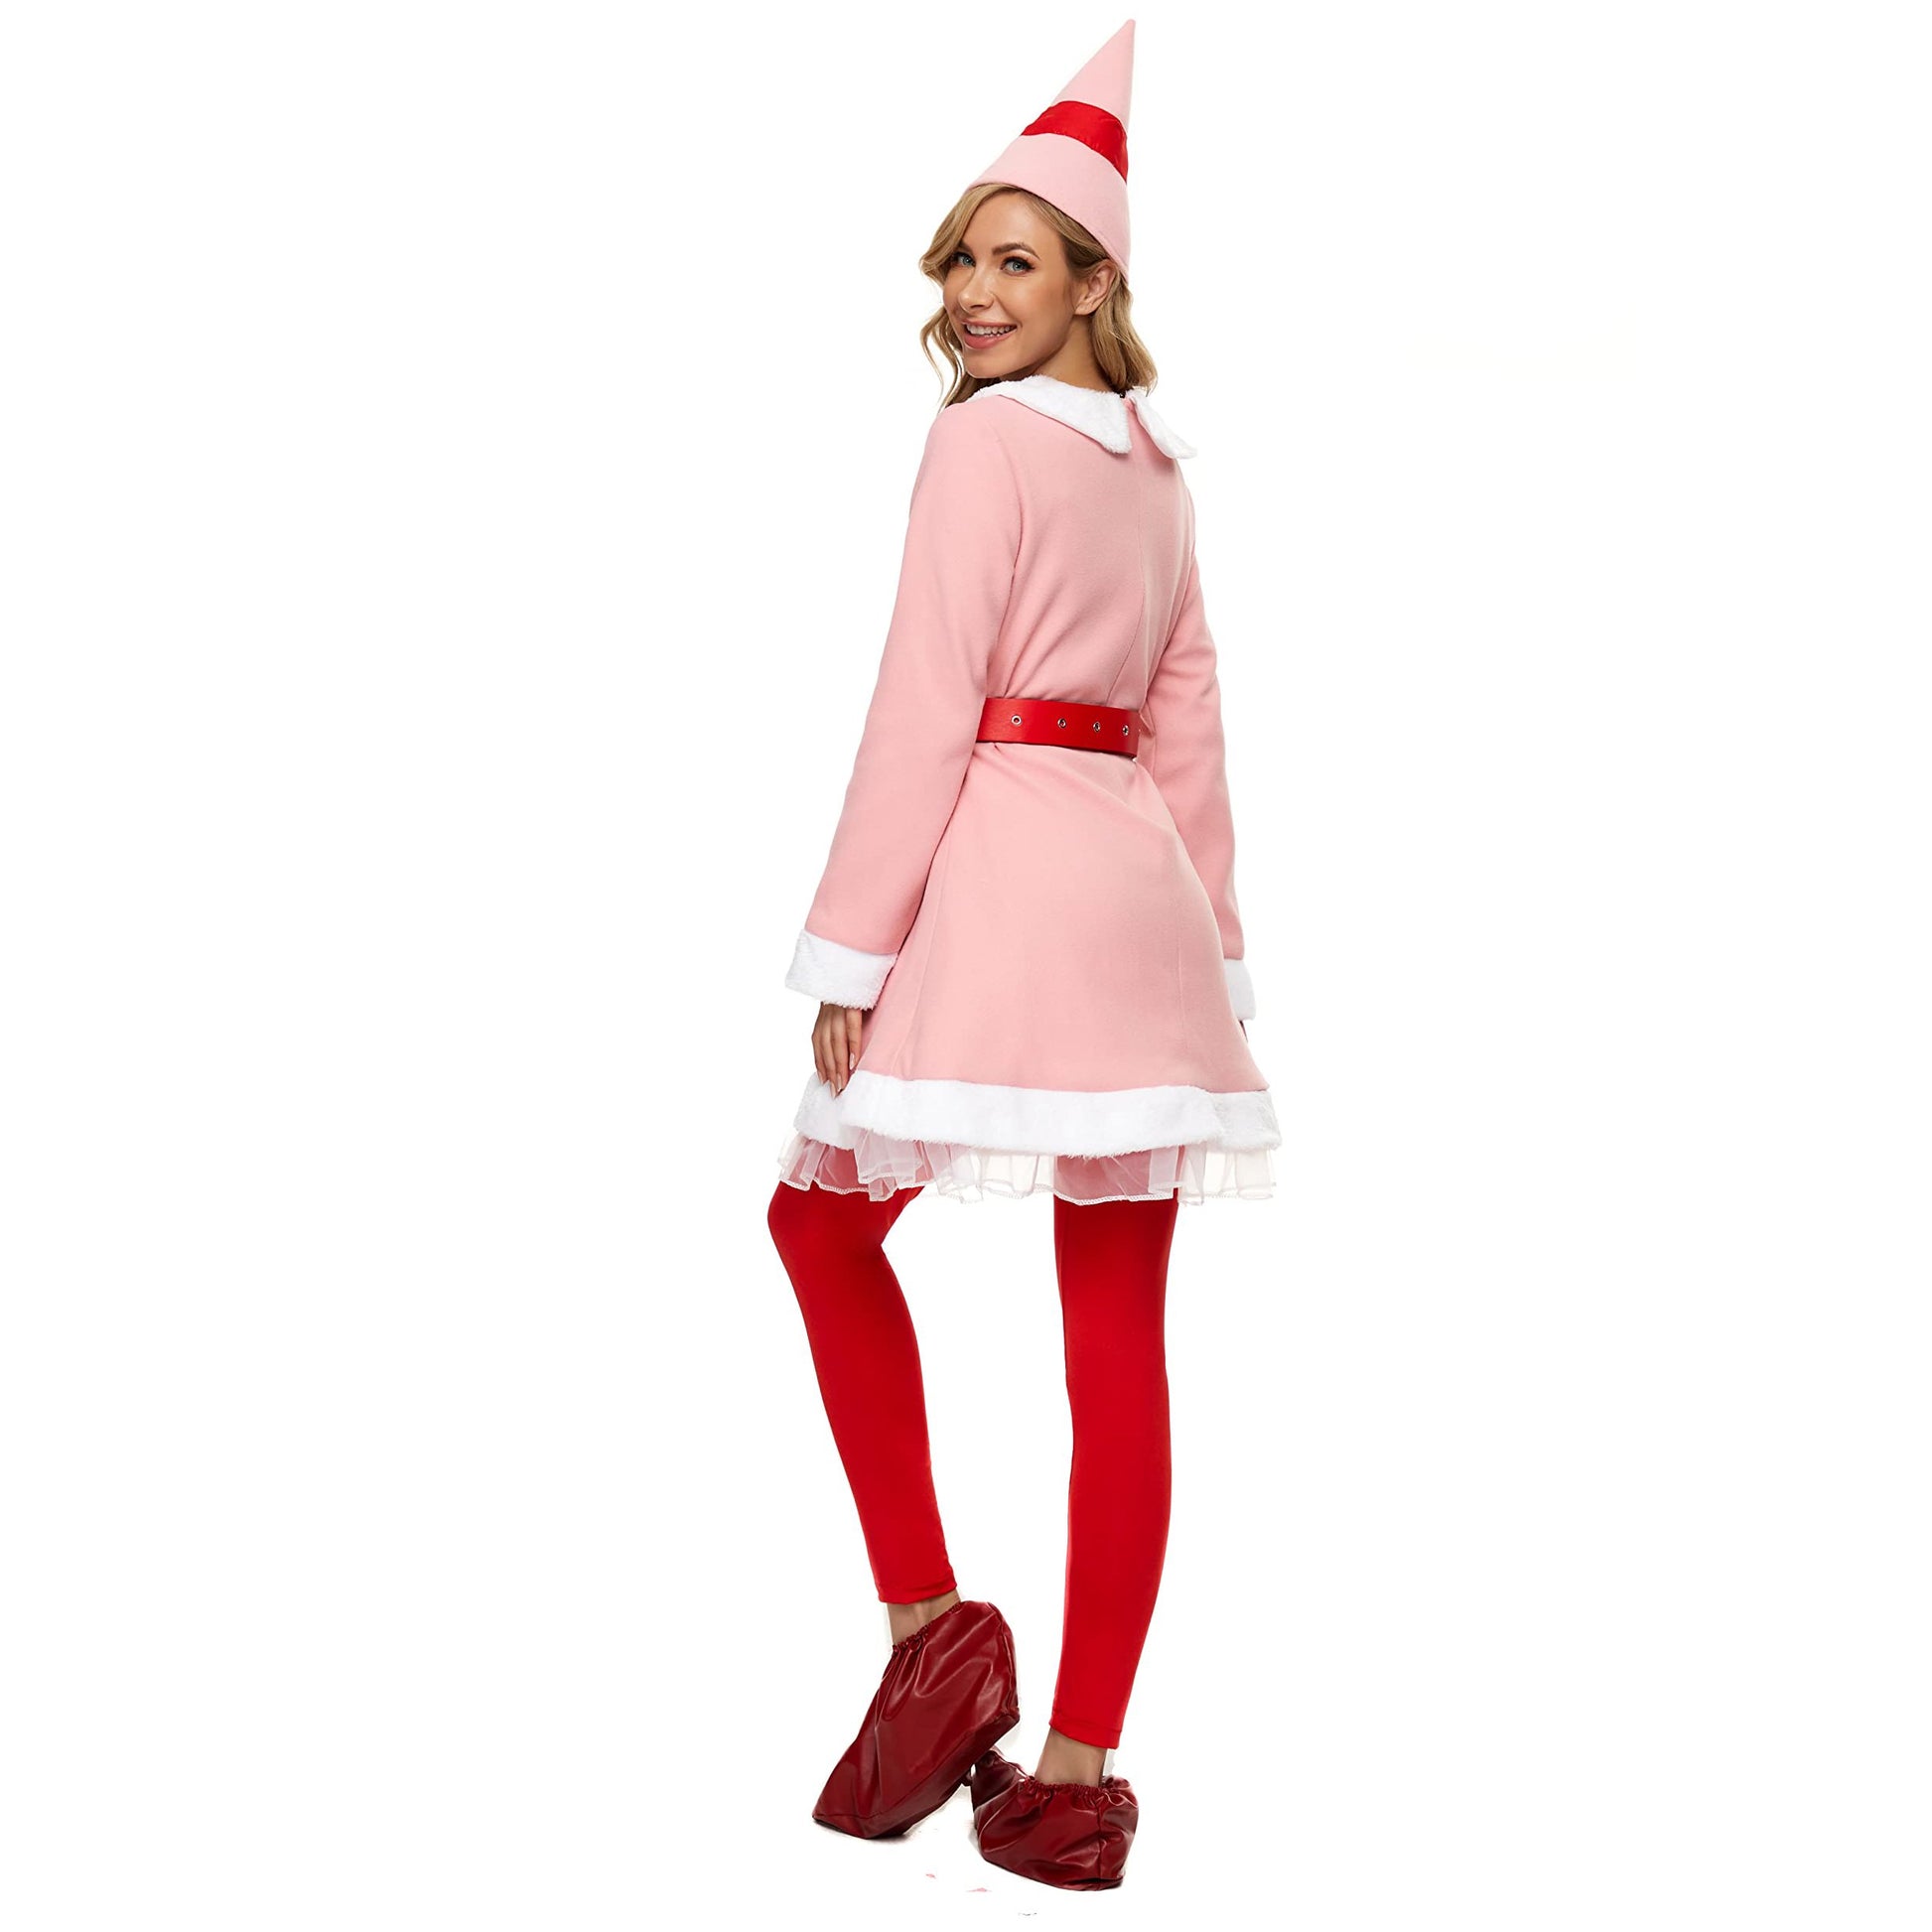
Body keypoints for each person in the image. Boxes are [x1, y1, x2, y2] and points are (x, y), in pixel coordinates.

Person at [764, 21, 1280, 1892]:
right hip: (1138, 907)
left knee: (815, 1223)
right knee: (1115, 1339)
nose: (973, 296)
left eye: (1013, 259)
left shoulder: (983, 444)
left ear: (1091, 281)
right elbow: (1188, 728)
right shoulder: (1158, 475)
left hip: (999, 882)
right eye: (959, 263)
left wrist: (851, 945)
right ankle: (1074, 1772)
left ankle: (932, 1630)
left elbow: (924, 705)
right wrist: (1217, 953)